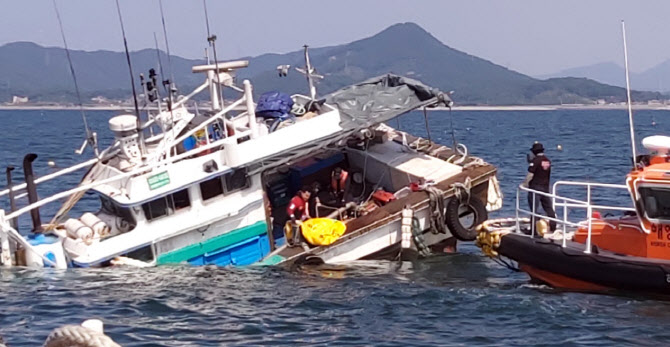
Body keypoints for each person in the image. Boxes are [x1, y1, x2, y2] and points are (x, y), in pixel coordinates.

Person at [521, 142, 557, 233]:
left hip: (535, 188)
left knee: (534, 209)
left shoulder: (535, 161)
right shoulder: (547, 161)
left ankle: (533, 229)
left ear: (534, 152)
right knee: (548, 208)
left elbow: (530, 175)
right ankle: (553, 226)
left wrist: (524, 185)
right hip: (545, 188)